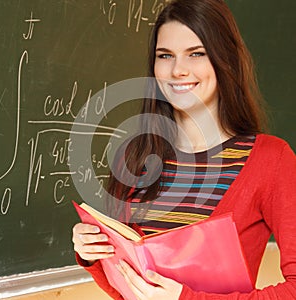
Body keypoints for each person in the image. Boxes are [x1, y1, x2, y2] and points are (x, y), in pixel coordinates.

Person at [72, 0, 296, 299]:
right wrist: (93, 255)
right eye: (165, 55)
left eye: (196, 54)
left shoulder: (271, 159)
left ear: (224, 59)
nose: (178, 70)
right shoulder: (136, 154)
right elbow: (128, 287)